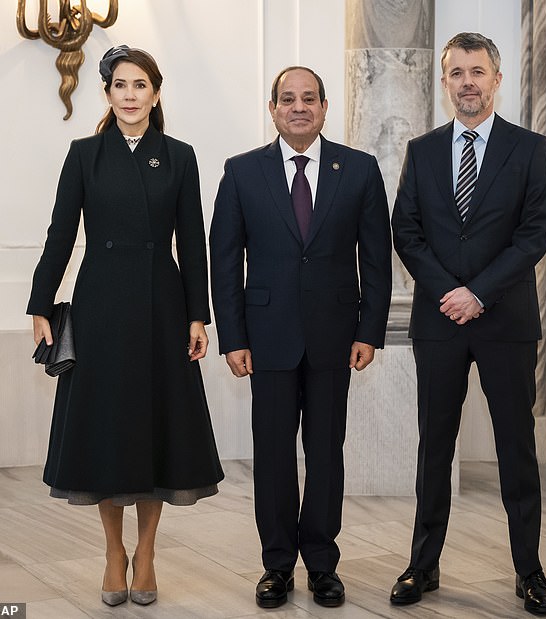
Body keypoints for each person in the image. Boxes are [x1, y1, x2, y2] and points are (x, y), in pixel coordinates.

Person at [27, 45, 224, 607]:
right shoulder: (84, 154)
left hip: (163, 305)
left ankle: (149, 552)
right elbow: (60, 234)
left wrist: (197, 315)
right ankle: (114, 552)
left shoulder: (180, 157)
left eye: (140, 85)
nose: (130, 95)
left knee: (155, 430)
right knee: (106, 431)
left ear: (155, 94)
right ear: (108, 94)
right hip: (101, 307)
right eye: (120, 85)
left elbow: (193, 244)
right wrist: (41, 303)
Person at [210, 66, 392, 609]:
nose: (298, 107)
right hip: (265, 339)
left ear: (324, 107)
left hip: (337, 338)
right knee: (271, 455)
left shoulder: (358, 170)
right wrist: (232, 336)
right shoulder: (242, 172)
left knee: (326, 453)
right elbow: (224, 261)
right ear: (273, 108)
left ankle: (321, 563)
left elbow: (376, 261)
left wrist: (370, 329)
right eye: (287, 99)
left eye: (308, 99)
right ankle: (276, 566)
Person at [390, 32, 546, 615]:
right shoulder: (423, 149)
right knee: (434, 447)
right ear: (444, 83)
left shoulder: (529, 148)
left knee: (516, 450)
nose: (467, 82)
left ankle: (530, 572)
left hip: (504, 321)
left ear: (496, 78)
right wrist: (450, 294)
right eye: (456, 72)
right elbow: (404, 230)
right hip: (440, 322)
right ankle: (422, 565)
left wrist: (478, 293)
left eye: (477, 71)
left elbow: (534, 233)